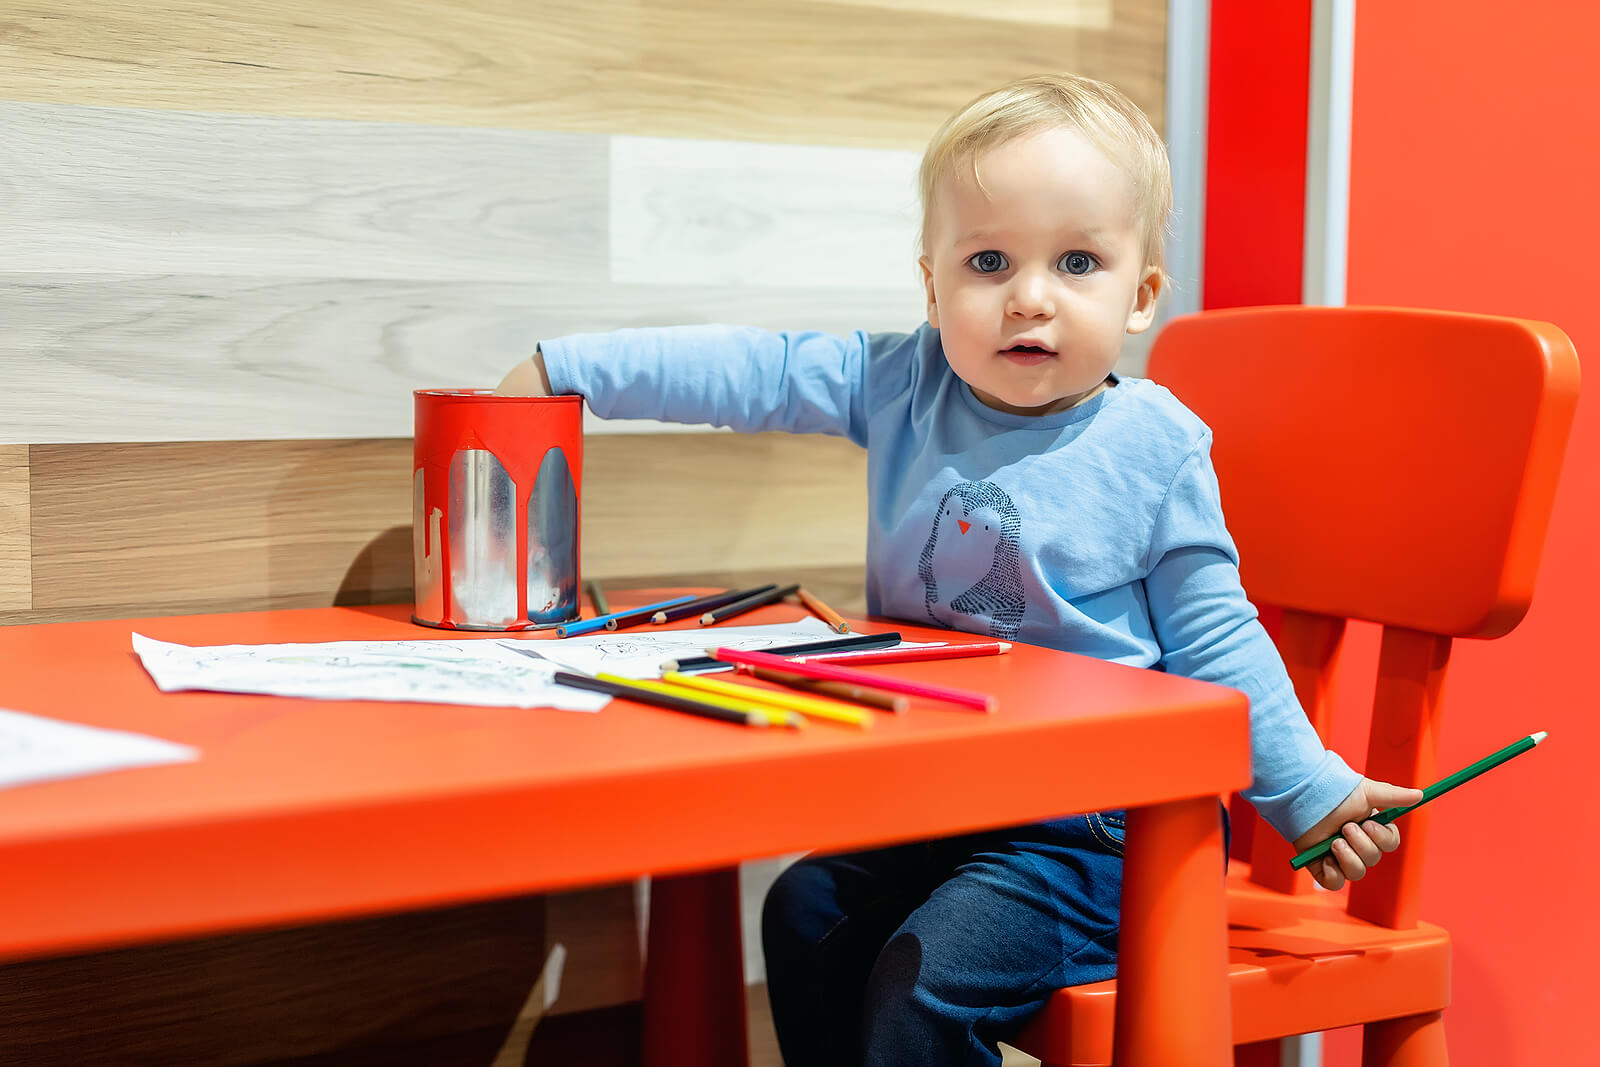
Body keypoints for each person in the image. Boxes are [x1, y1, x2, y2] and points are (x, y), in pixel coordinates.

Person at [497, 72, 1423, 1067]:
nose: (1029, 296)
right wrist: (567, 367)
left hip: (1102, 835)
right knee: (803, 912)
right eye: (988, 260)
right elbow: (751, 368)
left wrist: (1309, 792)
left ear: (1141, 294)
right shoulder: (901, 383)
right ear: (933, 286)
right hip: (937, 803)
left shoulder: (1154, 445)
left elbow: (1215, 634)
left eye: (1077, 261)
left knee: (918, 981)